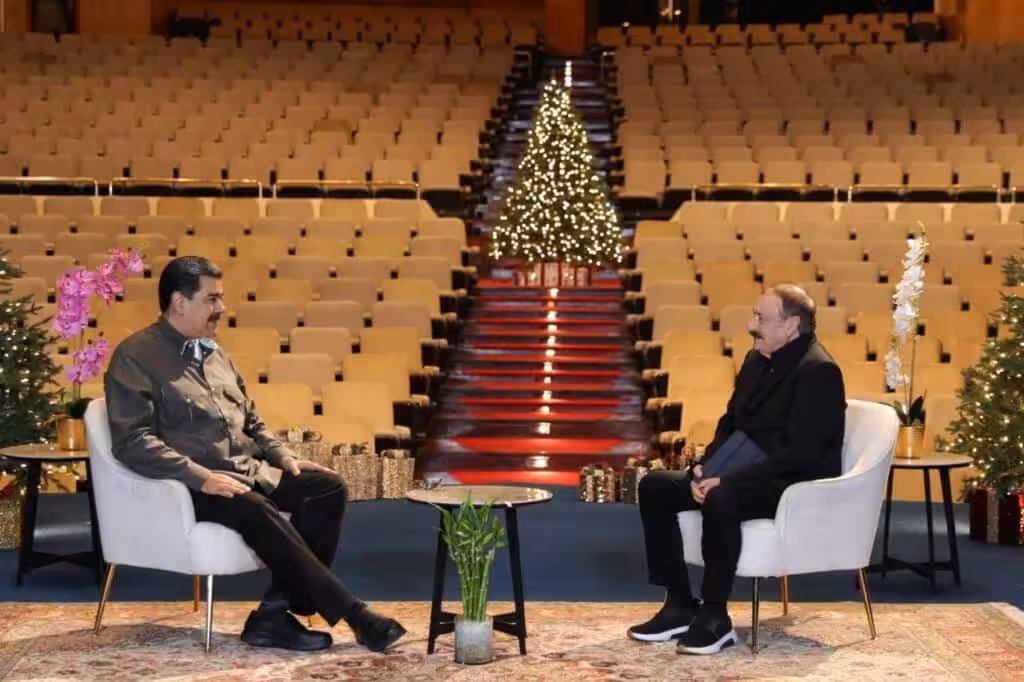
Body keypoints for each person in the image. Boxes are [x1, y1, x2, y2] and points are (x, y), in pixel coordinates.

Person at [104, 256, 406, 653]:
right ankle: (357, 616)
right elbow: (132, 440)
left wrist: (282, 456)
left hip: (245, 471)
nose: (221, 307)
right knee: (255, 507)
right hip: (188, 485)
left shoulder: (215, 353)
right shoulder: (135, 356)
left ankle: (273, 615)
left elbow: (250, 419)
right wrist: (200, 477)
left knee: (326, 488)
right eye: (212, 299)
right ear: (179, 302)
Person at [628, 284, 846, 655]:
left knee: (721, 497)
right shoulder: (754, 358)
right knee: (655, 486)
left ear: (791, 325)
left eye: (761, 318)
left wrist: (724, 479)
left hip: (790, 485)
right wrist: (703, 468)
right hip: (739, 472)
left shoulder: (819, 371)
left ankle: (715, 616)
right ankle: (679, 604)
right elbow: (730, 423)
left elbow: (801, 453)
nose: (751, 325)